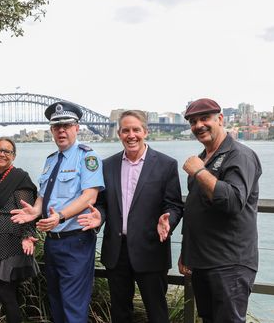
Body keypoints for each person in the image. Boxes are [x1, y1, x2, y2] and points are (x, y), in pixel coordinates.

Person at [11, 101, 105, 323]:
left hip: (76, 241)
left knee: (73, 306)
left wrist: (60, 216)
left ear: (76, 128)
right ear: (52, 130)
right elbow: (45, 194)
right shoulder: (51, 160)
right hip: (53, 241)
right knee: (56, 302)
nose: (61, 130)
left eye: (66, 125)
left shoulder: (87, 157)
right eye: (56, 127)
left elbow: (89, 197)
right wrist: (35, 211)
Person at [89, 110, 184, 323]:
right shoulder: (107, 165)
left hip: (150, 249)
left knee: (157, 312)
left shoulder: (166, 164)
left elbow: (174, 204)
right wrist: (99, 218)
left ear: (145, 132)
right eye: (125, 130)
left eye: (136, 130)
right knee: (120, 312)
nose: (131, 135)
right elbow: (102, 204)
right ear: (119, 134)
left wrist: (169, 220)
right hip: (116, 251)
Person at [179, 98, 262, 323]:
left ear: (220, 119)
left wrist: (199, 172)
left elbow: (234, 201)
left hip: (230, 263)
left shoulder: (239, 155)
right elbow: (194, 207)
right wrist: (186, 251)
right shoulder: (204, 158)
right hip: (203, 260)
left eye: (205, 118)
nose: (199, 125)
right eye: (193, 121)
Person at [0, 137, 39, 323]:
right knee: (4, 294)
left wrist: (28, 235)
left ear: (13, 156)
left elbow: (26, 210)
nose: (2, 154)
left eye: (7, 151)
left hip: (11, 244)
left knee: (7, 294)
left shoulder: (19, 177)